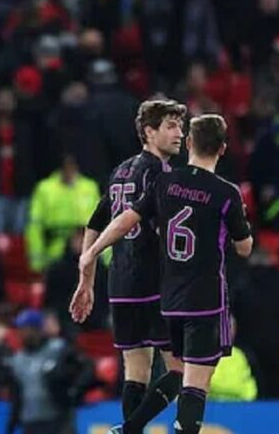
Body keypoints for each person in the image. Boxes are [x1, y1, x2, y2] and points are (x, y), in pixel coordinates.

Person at [75, 114, 253, 434]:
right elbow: (244, 248)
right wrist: (239, 227)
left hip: (169, 299)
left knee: (173, 372)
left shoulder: (165, 183)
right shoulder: (226, 193)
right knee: (195, 384)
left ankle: (129, 429)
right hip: (206, 299)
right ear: (223, 149)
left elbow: (125, 219)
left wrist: (91, 252)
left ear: (189, 143)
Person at [71, 99, 187, 426]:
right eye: (171, 126)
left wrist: (87, 278)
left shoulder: (120, 171)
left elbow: (95, 223)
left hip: (121, 284)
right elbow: (155, 228)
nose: (180, 133)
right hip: (154, 282)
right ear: (149, 132)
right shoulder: (162, 174)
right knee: (180, 371)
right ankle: (129, 429)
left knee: (136, 371)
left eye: (180, 126)